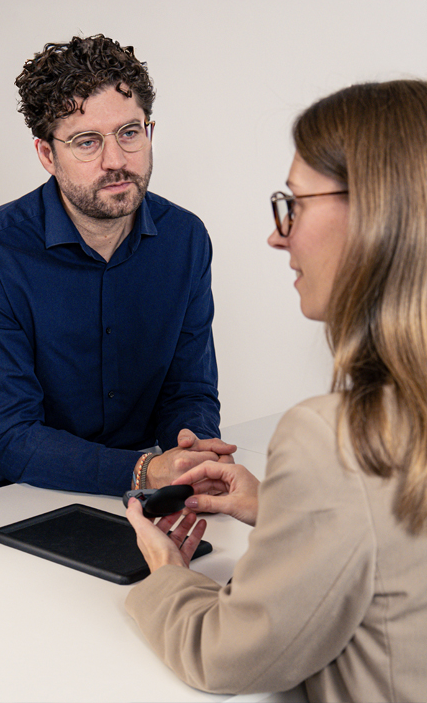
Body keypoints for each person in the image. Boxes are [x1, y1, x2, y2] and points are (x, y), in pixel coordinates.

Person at [126, 80, 427, 703]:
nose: (277, 235)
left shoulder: (334, 439)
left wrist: (167, 576)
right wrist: (288, 509)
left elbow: (226, 657)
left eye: (296, 204)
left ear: (377, 215)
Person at [0, 35, 235, 498]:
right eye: (87, 142)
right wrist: (144, 471)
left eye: (129, 132)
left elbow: (188, 389)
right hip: (7, 497)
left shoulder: (185, 238)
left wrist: (192, 451)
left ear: (150, 131)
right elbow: (10, 436)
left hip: (134, 491)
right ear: (47, 155)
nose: (116, 161)